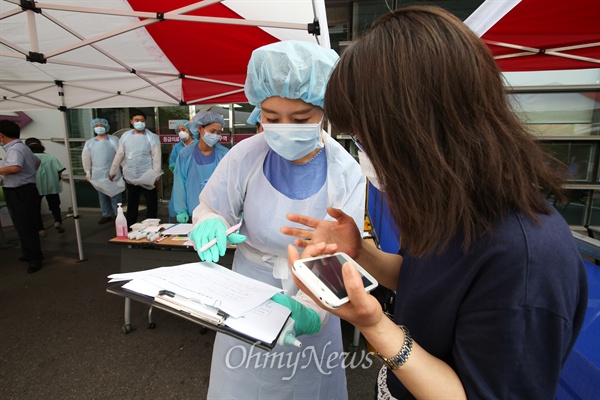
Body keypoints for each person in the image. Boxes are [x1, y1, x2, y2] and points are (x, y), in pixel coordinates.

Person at [282, 6, 588, 399]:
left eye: (366, 137)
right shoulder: (453, 206)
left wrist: (376, 326)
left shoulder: (527, 260)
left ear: (420, 131)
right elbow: (424, 279)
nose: (364, 153)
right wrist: (361, 253)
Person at [189, 40, 366, 399]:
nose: (283, 129)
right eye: (271, 118)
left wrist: (310, 311)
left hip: (315, 294)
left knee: (308, 385)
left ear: (323, 111)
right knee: (242, 384)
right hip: (247, 290)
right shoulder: (245, 156)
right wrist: (211, 224)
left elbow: (342, 255)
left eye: (300, 120)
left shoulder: (345, 171)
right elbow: (213, 207)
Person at [0, 120, 43, 273]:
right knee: (24, 224)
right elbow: (37, 162)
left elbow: (15, 167)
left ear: (2, 135)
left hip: (20, 191)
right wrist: (29, 173)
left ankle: (34, 259)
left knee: (25, 225)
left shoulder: (15, 149)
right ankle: (29, 253)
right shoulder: (22, 147)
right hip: (24, 189)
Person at [171, 112, 228, 223]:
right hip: (192, 213)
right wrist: (181, 210)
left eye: (219, 132)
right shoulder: (185, 154)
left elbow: (230, 185)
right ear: (200, 128)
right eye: (212, 131)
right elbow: (179, 184)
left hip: (218, 214)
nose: (215, 135)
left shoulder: (224, 155)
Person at [109, 109, 162, 228]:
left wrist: (156, 175)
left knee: (151, 203)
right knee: (132, 203)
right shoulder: (125, 136)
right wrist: (113, 171)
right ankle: (131, 227)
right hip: (131, 175)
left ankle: (152, 226)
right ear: (131, 121)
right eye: (137, 120)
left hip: (147, 175)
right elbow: (119, 154)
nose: (140, 123)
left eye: (142, 121)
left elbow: (156, 157)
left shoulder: (151, 137)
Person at [81, 118, 125, 224]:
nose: (99, 128)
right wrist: (87, 170)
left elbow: (120, 155)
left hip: (112, 172)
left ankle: (117, 215)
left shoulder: (113, 140)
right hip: (98, 173)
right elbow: (86, 157)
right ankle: (106, 214)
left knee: (115, 194)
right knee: (102, 195)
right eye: (96, 126)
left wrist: (123, 168)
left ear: (106, 126)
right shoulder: (90, 143)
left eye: (101, 125)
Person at [25, 138, 66, 235]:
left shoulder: (28, 158)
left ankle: (40, 229)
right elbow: (59, 170)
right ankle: (57, 221)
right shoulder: (51, 157)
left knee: (35, 208)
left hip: (35, 186)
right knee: (55, 206)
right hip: (52, 185)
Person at [167, 119, 196, 221]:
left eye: (183, 129)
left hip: (194, 181)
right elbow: (173, 162)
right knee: (179, 200)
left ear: (190, 130)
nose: (181, 132)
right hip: (180, 180)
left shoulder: (198, 145)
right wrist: (175, 169)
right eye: (178, 130)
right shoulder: (177, 147)